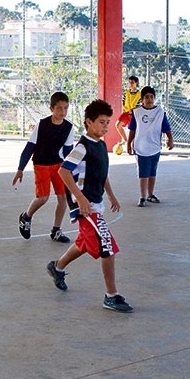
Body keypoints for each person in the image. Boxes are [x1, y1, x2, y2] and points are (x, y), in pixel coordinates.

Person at [46, 99, 132, 313]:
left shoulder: (101, 145)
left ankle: (57, 267)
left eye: (108, 122)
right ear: (89, 122)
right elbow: (64, 171)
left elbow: (102, 174)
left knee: (84, 243)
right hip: (86, 208)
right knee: (107, 247)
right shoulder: (82, 147)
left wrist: (111, 195)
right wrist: (81, 199)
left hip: (96, 203)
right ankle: (111, 296)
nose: (105, 126)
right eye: (101, 122)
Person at [13, 91, 76, 243]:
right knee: (43, 198)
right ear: (51, 109)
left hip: (59, 165)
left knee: (63, 198)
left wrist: (73, 170)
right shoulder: (42, 125)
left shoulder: (68, 127)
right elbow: (30, 147)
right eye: (59, 108)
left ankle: (56, 230)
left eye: (66, 108)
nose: (63, 112)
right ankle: (26, 216)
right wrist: (20, 168)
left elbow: (68, 152)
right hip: (41, 164)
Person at [127, 86, 174, 206]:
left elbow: (166, 128)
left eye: (151, 97)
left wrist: (170, 139)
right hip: (141, 148)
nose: (149, 99)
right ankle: (142, 197)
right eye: (146, 97)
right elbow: (132, 129)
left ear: (154, 98)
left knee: (153, 172)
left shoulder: (160, 112)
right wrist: (128, 143)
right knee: (143, 173)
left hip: (155, 147)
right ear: (142, 99)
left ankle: (150, 194)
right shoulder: (137, 113)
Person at [113, 76, 141, 155]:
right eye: (130, 82)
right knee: (118, 125)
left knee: (134, 132)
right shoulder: (126, 93)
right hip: (126, 113)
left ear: (136, 83)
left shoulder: (139, 94)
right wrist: (125, 109)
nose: (131, 84)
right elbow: (123, 102)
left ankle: (133, 147)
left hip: (134, 115)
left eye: (132, 82)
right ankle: (125, 140)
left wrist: (133, 109)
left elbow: (140, 104)